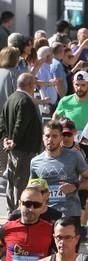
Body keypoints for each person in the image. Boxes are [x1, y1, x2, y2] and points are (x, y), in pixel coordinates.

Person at [30, 120, 88, 219]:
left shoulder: (74, 156)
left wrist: (75, 186)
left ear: (61, 137)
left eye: (54, 136)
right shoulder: (35, 162)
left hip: (69, 213)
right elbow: (31, 188)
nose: (50, 139)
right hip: (45, 214)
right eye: (47, 136)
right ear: (43, 137)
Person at [0, 73, 43, 209]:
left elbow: (2, 121)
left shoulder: (11, 98)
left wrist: (6, 138)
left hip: (14, 148)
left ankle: (12, 207)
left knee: (12, 180)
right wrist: (14, 140)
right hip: (24, 149)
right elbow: (20, 123)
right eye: (34, 84)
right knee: (20, 181)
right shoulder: (25, 101)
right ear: (30, 85)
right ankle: (17, 209)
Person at [53, 71, 88, 139]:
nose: (79, 88)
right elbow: (55, 117)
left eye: (83, 85)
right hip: (70, 146)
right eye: (77, 85)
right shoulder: (65, 101)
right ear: (73, 84)